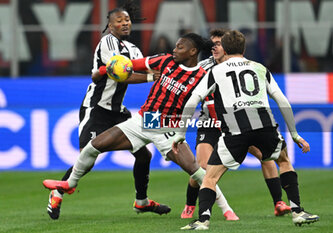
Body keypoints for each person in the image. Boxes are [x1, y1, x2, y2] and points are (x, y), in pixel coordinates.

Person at [42, 33, 236, 219]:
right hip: (144, 120)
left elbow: (209, 103)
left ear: (193, 52)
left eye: (180, 47)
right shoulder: (165, 60)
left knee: (197, 172)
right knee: (93, 146)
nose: (174, 49)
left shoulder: (202, 77)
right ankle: (70, 183)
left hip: (167, 128)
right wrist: (104, 70)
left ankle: (228, 211)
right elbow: (130, 65)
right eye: (176, 46)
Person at [179, 30, 319, 230]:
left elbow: (193, 100)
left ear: (225, 49)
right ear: (244, 49)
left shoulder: (215, 72)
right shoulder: (260, 68)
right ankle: (297, 212)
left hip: (234, 130)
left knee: (210, 176)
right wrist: (295, 134)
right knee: (284, 161)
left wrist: (180, 133)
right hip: (265, 126)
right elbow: (282, 100)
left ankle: (203, 220)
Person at [46, 1, 170, 220]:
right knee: (88, 155)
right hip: (97, 109)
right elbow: (121, 74)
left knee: (143, 154)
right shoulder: (108, 42)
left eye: (127, 20)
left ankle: (141, 202)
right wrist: (152, 77)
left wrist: (164, 67)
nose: (125, 23)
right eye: (119, 20)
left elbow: (143, 66)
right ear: (110, 25)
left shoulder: (133, 49)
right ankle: (57, 192)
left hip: (117, 111)